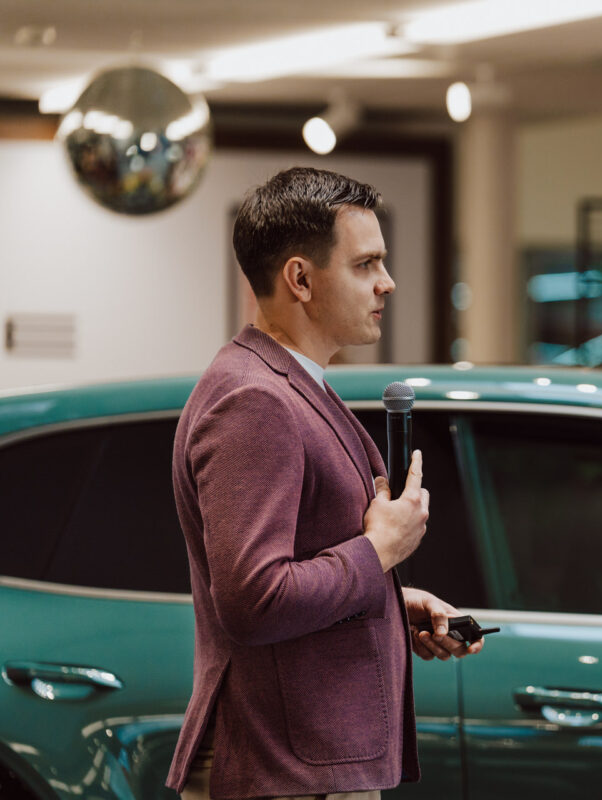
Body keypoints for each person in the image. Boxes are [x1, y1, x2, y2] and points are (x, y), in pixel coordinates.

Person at [166, 167, 481, 800]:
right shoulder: (255, 400)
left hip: (301, 769)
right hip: (282, 773)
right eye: (366, 264)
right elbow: (253, 600)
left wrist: (389, 597)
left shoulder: (284, 384)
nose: (386, 283)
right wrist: (377, 553)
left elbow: (300, 567)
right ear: (301, 279)